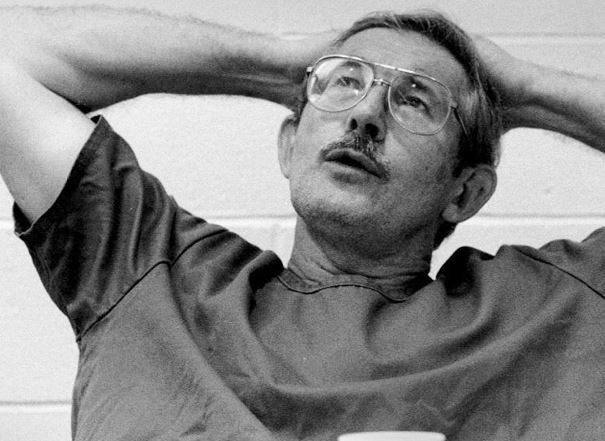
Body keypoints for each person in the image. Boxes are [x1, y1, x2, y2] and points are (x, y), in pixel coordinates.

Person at [0, 5, 603, 441]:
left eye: (415, 100)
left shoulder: (559, 307)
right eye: (345, 83)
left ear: (464, 192)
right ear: (290, 146)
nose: (366, 115)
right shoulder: (150, 274)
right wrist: (277, 62)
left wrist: (531, 92)